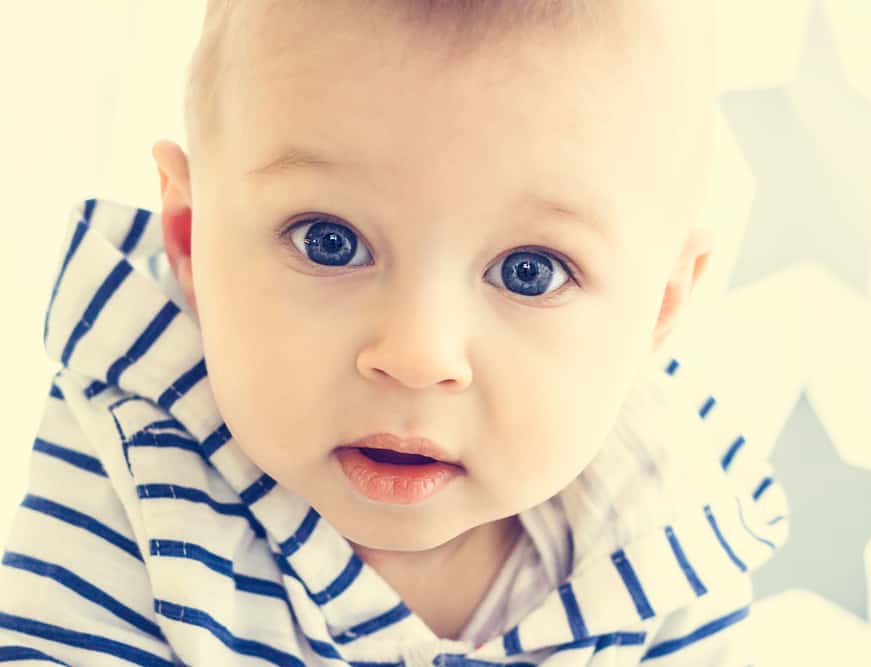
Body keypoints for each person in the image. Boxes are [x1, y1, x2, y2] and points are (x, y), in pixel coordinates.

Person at [0, 1, 789, 664]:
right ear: (189, 236)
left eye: (531, 272)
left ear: (656, 309)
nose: (418, 356)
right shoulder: (139, 472)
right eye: (328, 241)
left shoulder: (675, 535)